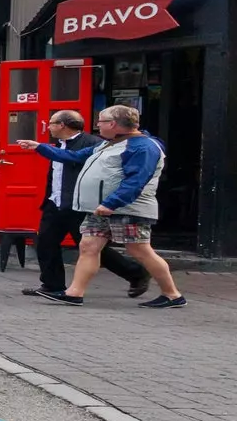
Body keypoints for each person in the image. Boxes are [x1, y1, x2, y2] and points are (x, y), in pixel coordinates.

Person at [34, 105, 185, 308]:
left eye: (101, 121)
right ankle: (74, 293)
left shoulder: (143, 147)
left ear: (113, 124)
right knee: (88, 246)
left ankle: (173, 295)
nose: (97, 125)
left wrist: (111, 203)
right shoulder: (108, 144)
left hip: (126, 208)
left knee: (139, 250)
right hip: (101, 207)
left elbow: (136, 181)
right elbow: (76, 157)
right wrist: (39, 147)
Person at [15, 109, 146, 298]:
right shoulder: (56, 145)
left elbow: (81, 162)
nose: (48, 126)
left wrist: (38, 147)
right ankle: (52, 285)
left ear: (62, 125)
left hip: (80, 204)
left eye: (51, 123)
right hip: (55, 202)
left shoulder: (94, 144)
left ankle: (136, 273)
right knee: (45, 243)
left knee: (91, 248)